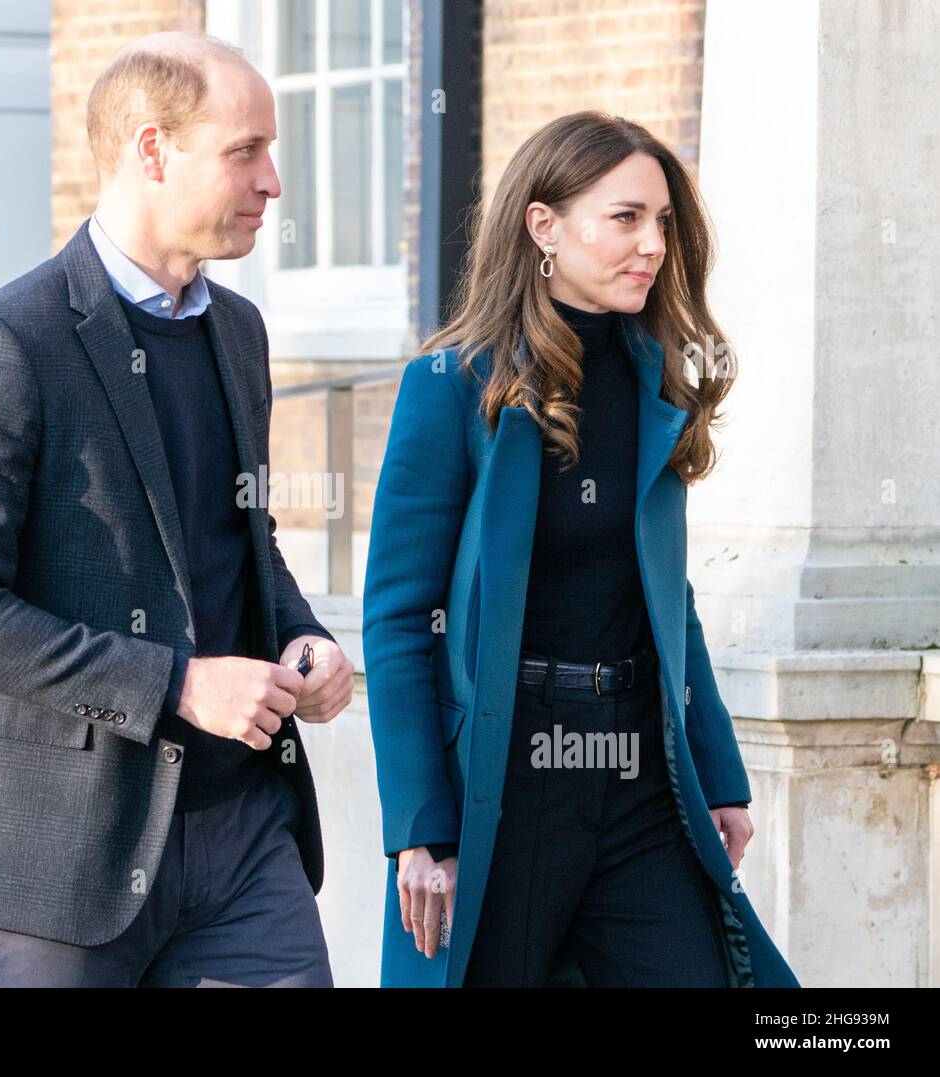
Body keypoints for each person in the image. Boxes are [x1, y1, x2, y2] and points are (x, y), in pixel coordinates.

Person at [0, 30, 353, 987]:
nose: (273, 182)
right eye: (246, 151)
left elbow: (242, 533)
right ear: (153, 150)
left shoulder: (238, 331)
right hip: (56, 857)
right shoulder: (5, 342)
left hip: (243, 844)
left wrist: (304, 638)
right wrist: (179, 684)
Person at [362, 110, 800, 988]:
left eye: (664, 223)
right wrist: (420, 823)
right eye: (626, 218)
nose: (652, 246)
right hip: (509, 779)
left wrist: (718, 770)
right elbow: (400, 618)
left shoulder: (659, 377)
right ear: (543, 226)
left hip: (641, 778)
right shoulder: (454, 387)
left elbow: (665, 597)